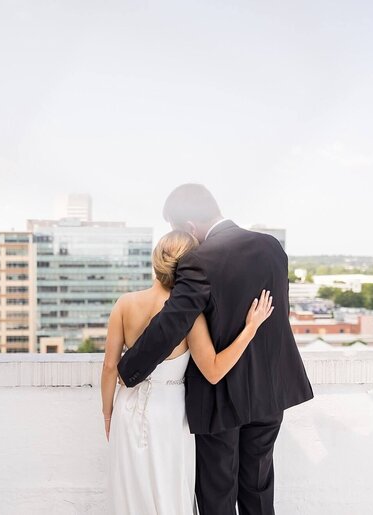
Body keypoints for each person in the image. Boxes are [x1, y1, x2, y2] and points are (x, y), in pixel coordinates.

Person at [117, 184, 314, 515]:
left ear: (190, 227)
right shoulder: (271, 247)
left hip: (222, 399)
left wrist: (128, 370)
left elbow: (171, 324)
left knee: (217, 498)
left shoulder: (199, 262)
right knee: (259, 494)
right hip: (270, 394)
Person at [102, 230, 274, 514]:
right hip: (170, 414)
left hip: (126, 408)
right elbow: (215, 370)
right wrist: (250, 328)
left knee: (130, 494)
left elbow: (110, 367)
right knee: (170, 492)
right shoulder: (189, 315)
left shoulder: (125, 303)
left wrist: (107, 413)